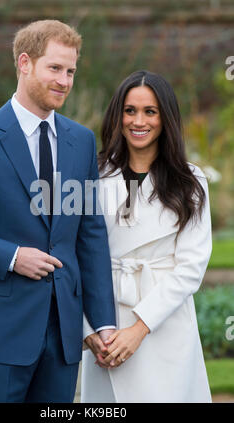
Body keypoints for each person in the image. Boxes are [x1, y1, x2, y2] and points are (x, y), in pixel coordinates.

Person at [0, 20, 116, 403]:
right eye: (55, 68)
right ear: (24, 63)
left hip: (63, 333)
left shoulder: (81, 141)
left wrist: (103, 320)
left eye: (71, 72)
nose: (64, 81)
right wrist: (11, 257)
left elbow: (90, 234)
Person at [81, 70, 212, 403]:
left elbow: (190, 268)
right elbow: (75, 255)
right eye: (130, 110)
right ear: (118, 115)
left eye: (150, 111)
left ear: (165, 117)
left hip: (163, 324)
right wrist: (90, 330)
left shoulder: (191, 181)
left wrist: (139, 329)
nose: (138, 121)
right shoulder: (91, 175)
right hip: (104, 324)